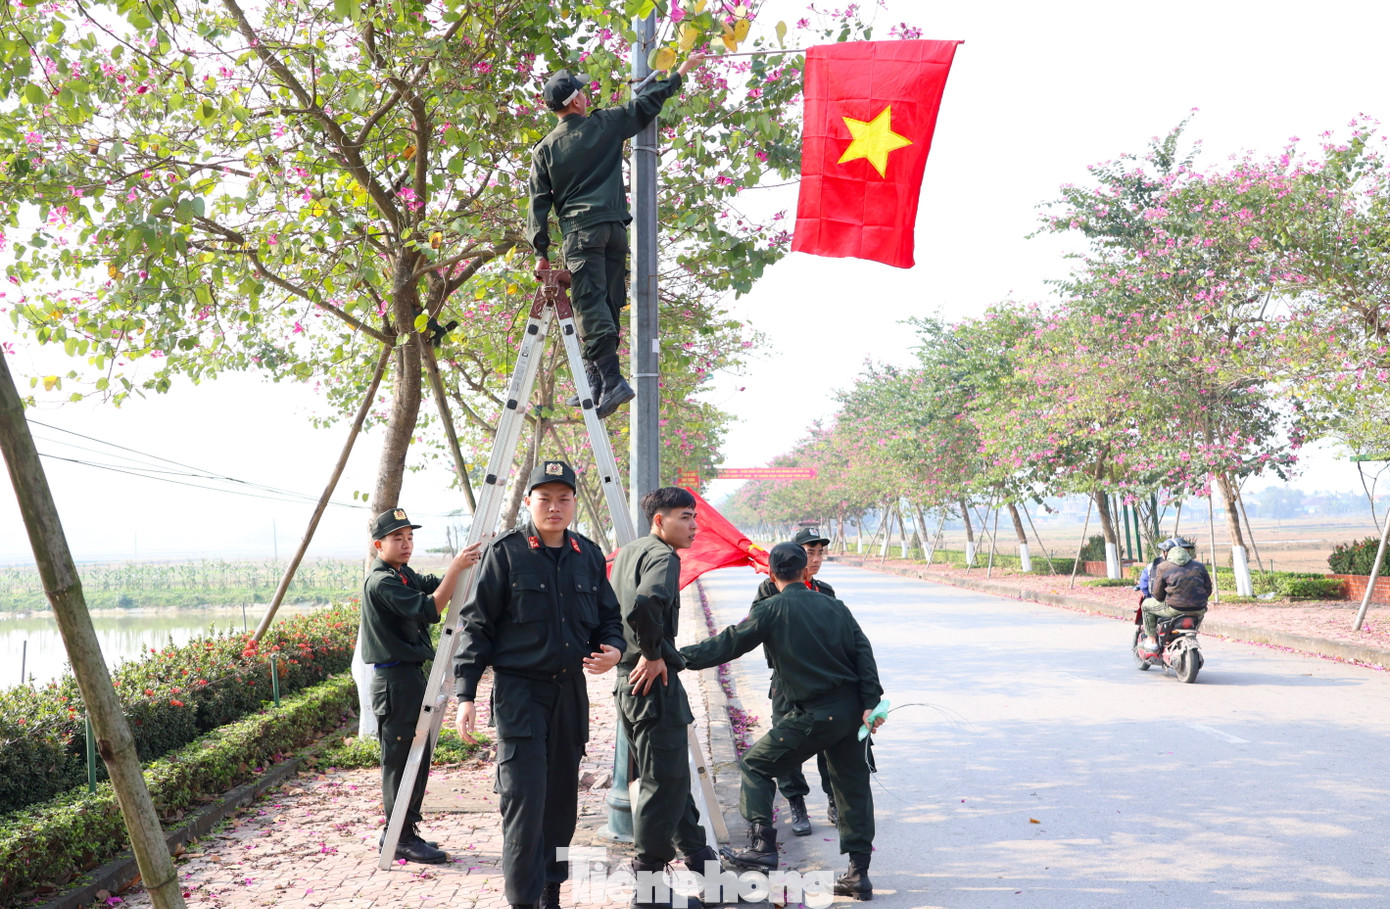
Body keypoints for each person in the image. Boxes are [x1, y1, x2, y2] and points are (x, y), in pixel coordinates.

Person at [451, 461, 626, 909]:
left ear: (573, 503)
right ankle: (523, 901)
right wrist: (466, 694)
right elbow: (477, 625)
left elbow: (609, 617)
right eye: (544, 498)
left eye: (563, 498)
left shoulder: (588, 554)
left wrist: (614, 649)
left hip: (569, 694)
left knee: (562, 802)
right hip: (520, 694)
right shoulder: (507, 553)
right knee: (524, 803)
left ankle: (551, 891)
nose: (554, 507)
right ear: (529, 501)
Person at [681, 542, 885, 901]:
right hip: (852, 712)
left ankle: (762, 845)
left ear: (772, 574)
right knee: (853, 789)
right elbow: (863, 651)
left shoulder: (770, 608)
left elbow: (728, 644)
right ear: (805, 571)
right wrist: (871, 703)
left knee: (756, 765)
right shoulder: (835, 606)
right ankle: (859, 874)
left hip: (816, 713)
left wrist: (675, 657)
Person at [528, 55, 704, 420]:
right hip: (614, 231)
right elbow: (645, 104)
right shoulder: (605, 124)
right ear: (575, 101)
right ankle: (596, 380)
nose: (586, 95)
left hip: (581, 234)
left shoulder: (545, 150)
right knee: (607, 302)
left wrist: (540, 250)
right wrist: (680, 72)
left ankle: (611, 380)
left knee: (589, 303)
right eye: (582, 91)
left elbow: (538, 202)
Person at [611, 486, 721, 908]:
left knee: (670, 780)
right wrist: (654, 653)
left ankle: (706, 871)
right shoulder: (663, 556)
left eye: (694, 517)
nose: (694, 526)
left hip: (629, 684)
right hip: (651, 685)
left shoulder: (629, 552)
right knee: (663, 784)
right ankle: (649, 888)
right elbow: (645, 605)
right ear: (660, 521)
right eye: (685, 517)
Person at [360, 508, 482, 864]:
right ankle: (399, 837)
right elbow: (431, 608)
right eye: (397, 538)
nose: (406, 544)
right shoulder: (381, 582)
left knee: (417, 754)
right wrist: (456, 568)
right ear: (378, 544)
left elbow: (432, 584)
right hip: (395, 680)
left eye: (410, 537)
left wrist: (466, 569)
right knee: (400, 759)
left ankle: (402, 831)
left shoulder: (401, 574)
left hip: (409, 676)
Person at [750, 527, 838, 835]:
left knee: (829, 742)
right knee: (786, 744)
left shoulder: (825, 591)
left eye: (820, 553)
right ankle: (796, 802)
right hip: (786, 682)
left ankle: (834, 801)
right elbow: (755, 628)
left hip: (822, 682)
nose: (816, 559)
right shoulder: (770, 589)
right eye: (810, 553)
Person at [1140, 536, 1212, 651]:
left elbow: (1157, 595)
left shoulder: (1162, 567)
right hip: (1199, 609)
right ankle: (1192, 635)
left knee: (1146, 606)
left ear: (1166, 553)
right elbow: (1208, 590)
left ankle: (1151, 640)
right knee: (1200, 612)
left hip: (1174, 609)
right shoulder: (1200, 566)